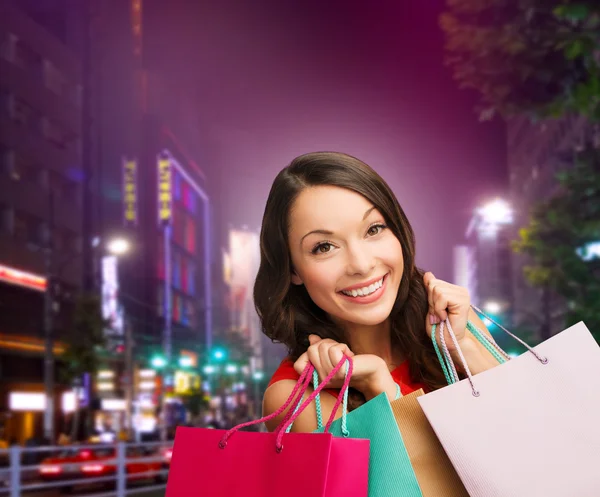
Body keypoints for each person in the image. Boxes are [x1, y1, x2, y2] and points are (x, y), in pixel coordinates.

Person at [257, 152, 501, 433]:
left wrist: (463, 347)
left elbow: (536, 421)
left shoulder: (451, 322)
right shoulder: (296, 398)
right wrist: (380, 386)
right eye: (324, 247)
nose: (361, 264)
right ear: (292, 271)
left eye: (374, 229)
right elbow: (426, 476)